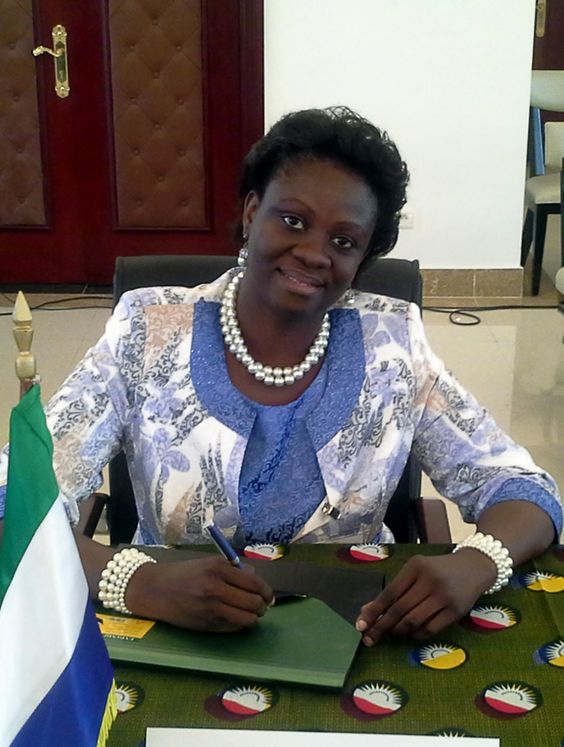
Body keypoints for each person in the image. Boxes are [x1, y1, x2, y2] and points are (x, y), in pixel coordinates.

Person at [0, 107, 561, 644]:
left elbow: (523, 489)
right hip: (168, 626)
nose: (315, 253)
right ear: (251, 214)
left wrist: (477, 562)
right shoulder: (149, 330)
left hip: (355, 631)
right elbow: (14, 496)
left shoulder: (392, 343)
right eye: (293, 220)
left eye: (343, 241)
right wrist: (138, 582)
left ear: (362, 257)